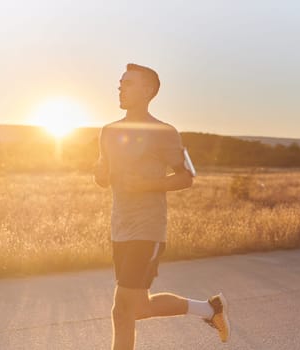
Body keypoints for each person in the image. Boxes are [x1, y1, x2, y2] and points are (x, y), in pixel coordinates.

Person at [94, 63, 230, 350]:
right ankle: (209, 309)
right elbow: (103, 176)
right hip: (120, 227)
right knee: (138, 308)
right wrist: (101, 174)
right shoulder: (108, 131)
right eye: (120, 83)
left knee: (121, 311)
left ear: (148, 90)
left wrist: (146, 185)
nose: (121, 88)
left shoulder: (164, 131)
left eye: (128, 83)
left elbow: (187, 176)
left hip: (148, 228)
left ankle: (210, 310)